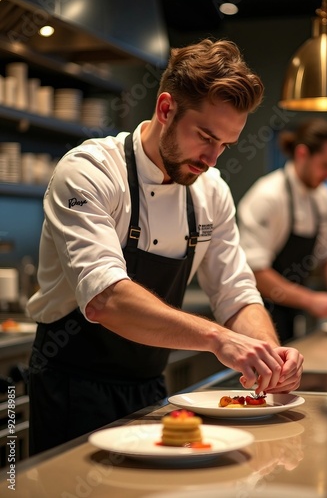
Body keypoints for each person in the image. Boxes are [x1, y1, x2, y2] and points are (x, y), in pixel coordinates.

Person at [27, 38, 303, 455]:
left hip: (152, 391)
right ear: (165, 109)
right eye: (205, 137)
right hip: (72, 390)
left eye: (224, 146)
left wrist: (268, 354)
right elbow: (106, 300)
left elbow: (236, 293)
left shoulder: (210, 191)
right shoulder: (89, 172)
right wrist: (218, 339)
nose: (212, 159)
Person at [237, 118, 327, 344]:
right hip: (259, 313)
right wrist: (311, 300)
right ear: (302, 154)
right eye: (325, 165)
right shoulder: (268, 196)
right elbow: (256, 272)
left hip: (294, 313)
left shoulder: (322, 197)